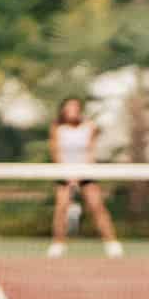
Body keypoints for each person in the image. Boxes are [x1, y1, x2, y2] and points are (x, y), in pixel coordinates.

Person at [46, 96, 123, 259]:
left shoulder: (89, 127)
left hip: (86, 172)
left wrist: (81, 174)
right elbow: (55, 151)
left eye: (75, 107)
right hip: (64, 174)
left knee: (97, 207)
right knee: (61, 208)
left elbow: (91, 151)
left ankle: (112, 244)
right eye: (69, 107)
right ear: (63, 110)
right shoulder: (56, 128)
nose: (72, 110)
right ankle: (58, 245)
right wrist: (68, 175)